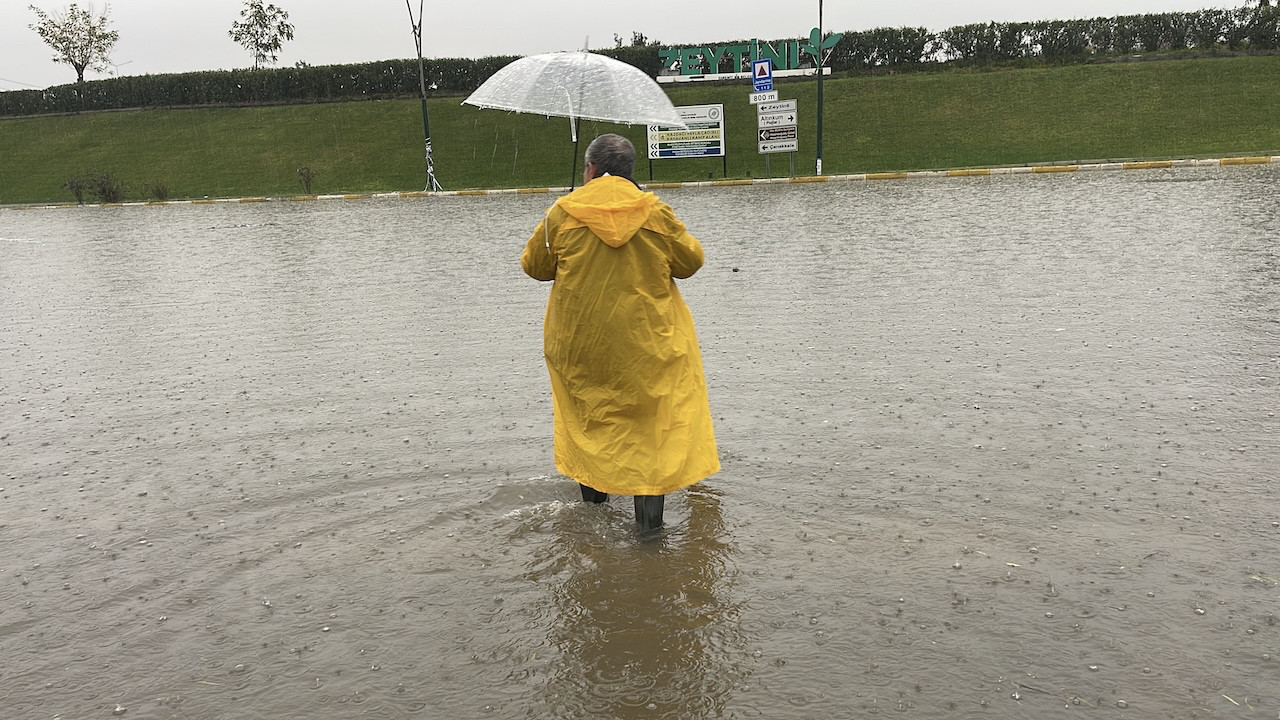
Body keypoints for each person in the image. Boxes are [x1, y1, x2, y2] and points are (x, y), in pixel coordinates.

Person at [521, 133, 719, 532]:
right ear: (630, 171)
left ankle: (594, 519)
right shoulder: (655, 212)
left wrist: (560, 221)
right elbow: (691, 262)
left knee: (590, 424)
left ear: (590, 169)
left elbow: (535, 267)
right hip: (650, 347)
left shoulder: (562, 213)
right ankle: (650, 535)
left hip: (583, 348)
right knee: (651, 436)